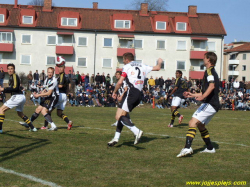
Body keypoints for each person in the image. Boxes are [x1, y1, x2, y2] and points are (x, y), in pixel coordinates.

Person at [107, 52, 163, 147]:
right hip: (139, 94)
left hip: (131, 92)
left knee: (119, 117)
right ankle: (116, 138)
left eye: (123, 60)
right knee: (121, 116)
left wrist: (114, 92)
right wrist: (160, 62)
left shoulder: (127, 66)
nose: (123, 62)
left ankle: (137, 131)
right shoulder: (142, 65)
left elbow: (120, 82)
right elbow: (157, 68)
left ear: (127, 60)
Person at [177, 52, 219, 158]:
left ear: (209, 60)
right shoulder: (210, 71)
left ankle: (187, 148)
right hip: (211, 103)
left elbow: (212, 86)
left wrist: (203, 96)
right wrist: (192, 95)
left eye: (204, 58)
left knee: (192, 122)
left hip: (210, 104)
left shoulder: (209, 71)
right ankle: (210, 148)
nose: (203, 59)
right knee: (200, 125)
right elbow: (207, 90)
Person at [0, 63, 37, 133]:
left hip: (17, 96)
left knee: (1, 109)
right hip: (21, 96)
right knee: (20, 113)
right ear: (7, 70)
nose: (10, 70)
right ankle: (32, 127)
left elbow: (15, 88)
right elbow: (13, 88)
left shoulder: (14, 76)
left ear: (14, 69)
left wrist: (3, 89)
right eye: (8, 69)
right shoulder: (12, 77)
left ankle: (0, 129)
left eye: (11, 69)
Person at [41, 57, 73, 130]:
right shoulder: (66, 76)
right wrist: (68, 93)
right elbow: (69, 84)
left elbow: (60, 85)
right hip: (64, 96)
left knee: (47, 110)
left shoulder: (61, 75)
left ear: (64, 67)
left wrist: (51, 86)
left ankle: (45, 126)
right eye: (58, 67)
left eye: (61, 67)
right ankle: (69, 122)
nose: (59, 69)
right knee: (59, 113)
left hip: (60, 95)